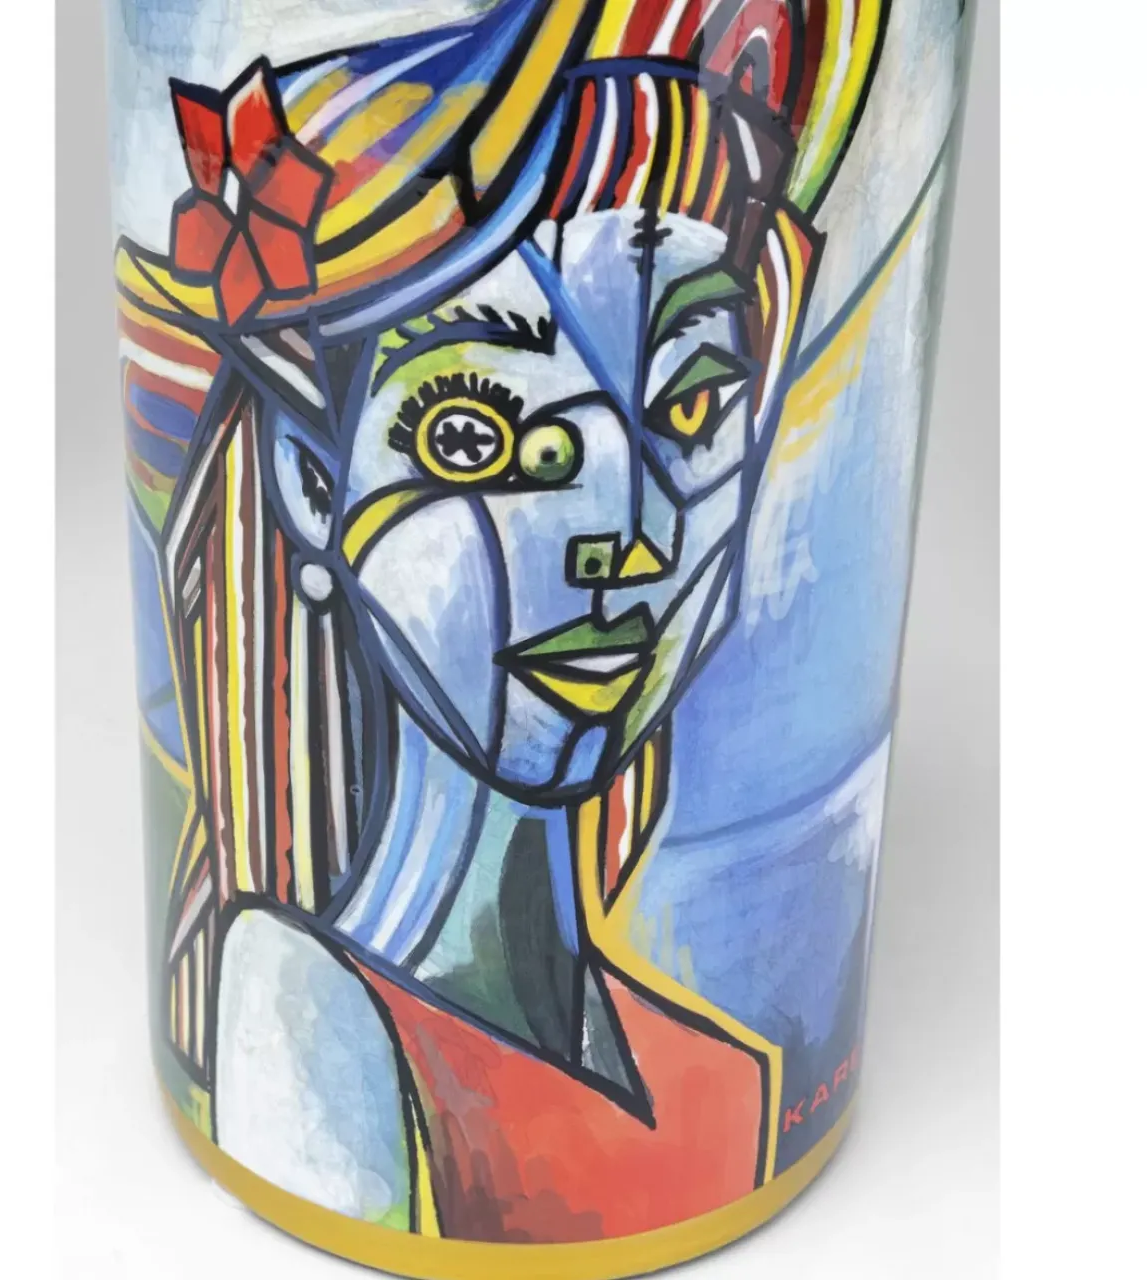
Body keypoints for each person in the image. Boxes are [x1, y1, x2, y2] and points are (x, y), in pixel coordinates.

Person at [117, 0, 887, 1244]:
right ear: (314, 482)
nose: (628, 535)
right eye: (481, 434)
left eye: (691, 406)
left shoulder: (717, 1063)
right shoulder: (314, 1017)